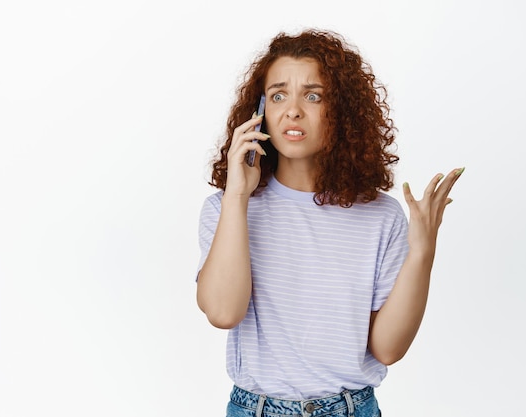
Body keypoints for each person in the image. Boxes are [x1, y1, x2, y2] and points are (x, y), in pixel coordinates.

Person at [196, 28, 463, 417]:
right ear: (259, 113)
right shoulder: (226, 208)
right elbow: (222, 312)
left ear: (341, 111)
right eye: (278, 95)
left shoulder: (381, 216)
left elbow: (387, 349)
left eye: (313, 95)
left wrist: (422, 253)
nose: (293, 110)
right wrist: (238, 195)